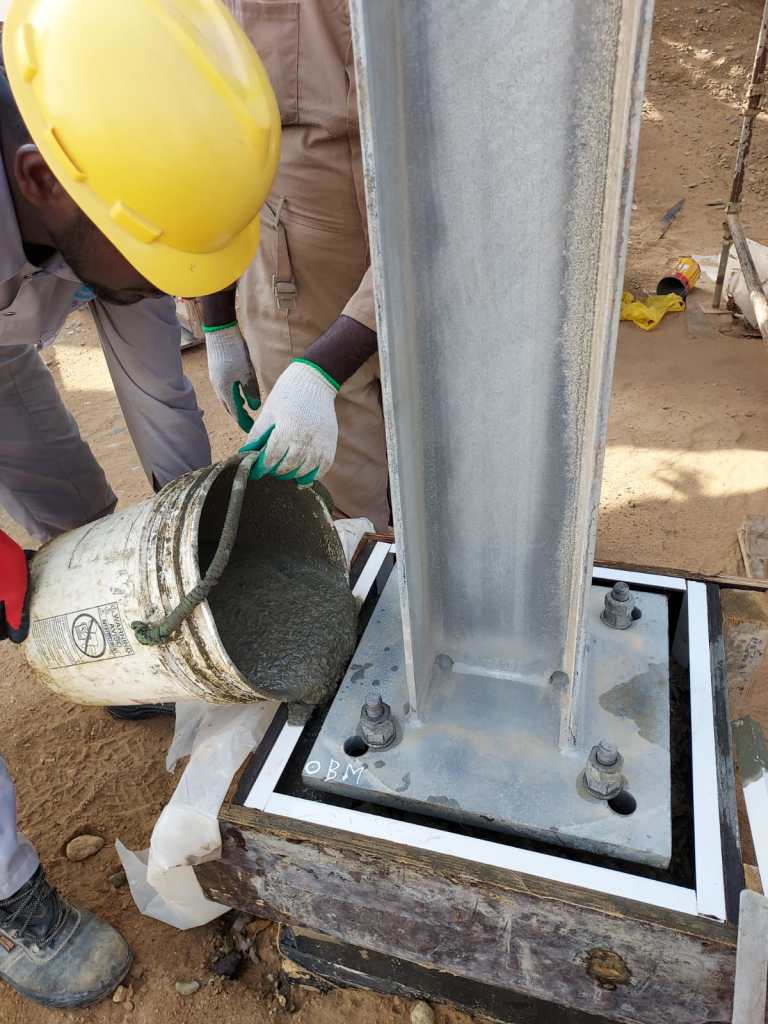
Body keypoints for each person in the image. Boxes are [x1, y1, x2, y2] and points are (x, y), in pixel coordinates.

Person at [0, 0, 280, 1007]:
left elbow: (158, 393)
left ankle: (108, 660)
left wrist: (191, 534)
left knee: (82, 521)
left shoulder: (108, 151)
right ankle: (10, 898)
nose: (163, 283)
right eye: (151, 258)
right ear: (40, 178)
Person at [203, 0, 391, 531]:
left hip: (425, 159)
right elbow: (208, 130)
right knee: (344, 505)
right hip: (292, 212)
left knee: (455, 468)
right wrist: (217, 318)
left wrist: (320, 370)